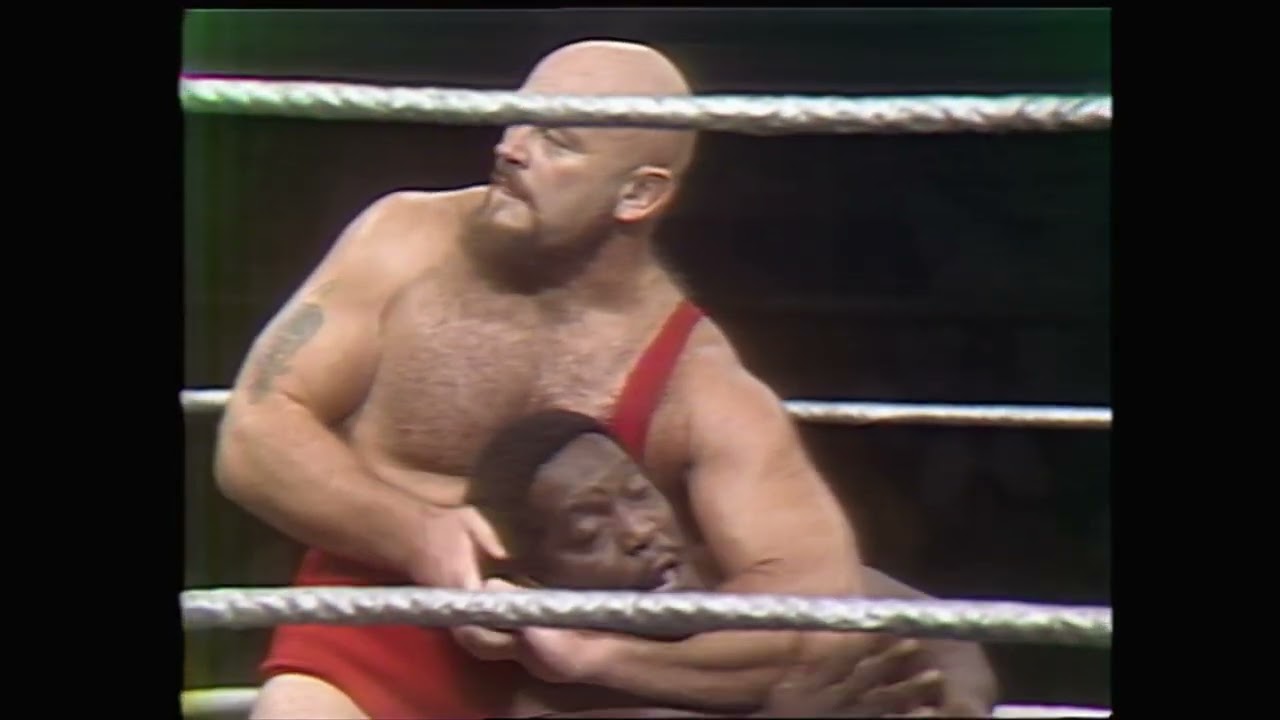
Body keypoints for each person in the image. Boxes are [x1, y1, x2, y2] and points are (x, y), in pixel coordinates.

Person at [213, 38, 928, 719]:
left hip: (593, 658)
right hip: (385, 601)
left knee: (919, 654)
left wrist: (596, 656)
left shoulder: (695, 379)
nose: (510, 148)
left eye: (557, 141)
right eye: (517, 120)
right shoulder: (406, 240)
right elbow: (254, 434)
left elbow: (811, 610)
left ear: (637, 195)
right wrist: (420, 537)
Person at [463, 408, 999, 717]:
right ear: (535, 582)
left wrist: (961, 710)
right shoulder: (555, 704)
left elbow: (944, 633)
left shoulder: (741, 576)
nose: (640, 532)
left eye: (640, 495)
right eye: (588, 532)